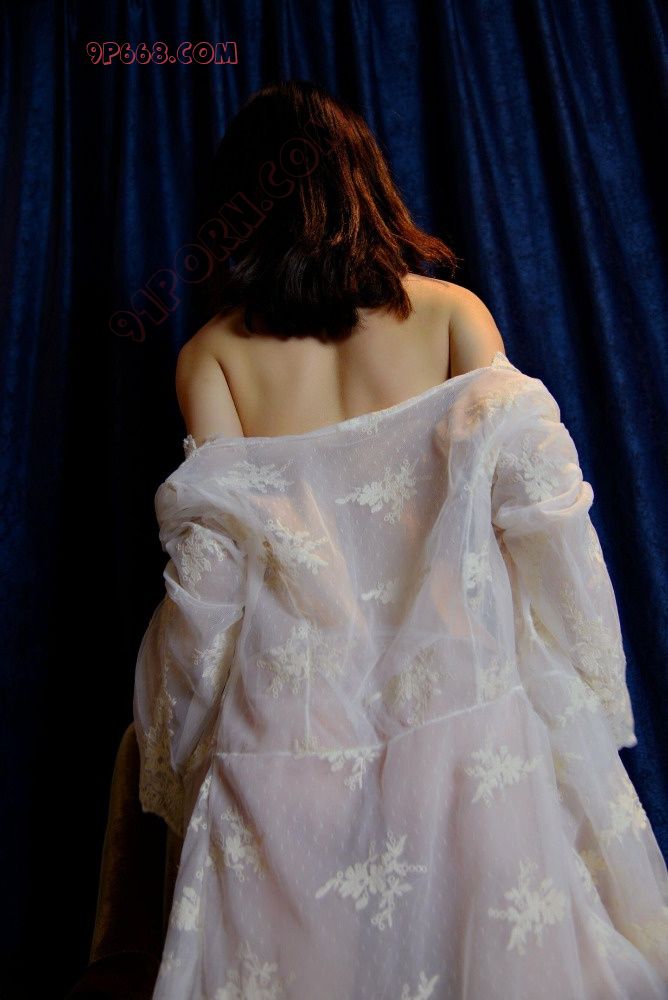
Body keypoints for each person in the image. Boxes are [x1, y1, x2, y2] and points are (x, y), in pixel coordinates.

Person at [133, 79, 668, 999]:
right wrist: (581, 681)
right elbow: (544, 517)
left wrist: (181, 748)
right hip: (465, 708)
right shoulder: (454, 315)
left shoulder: (210, 357)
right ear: (364, 182)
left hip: (289, 730)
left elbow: (207, 594)